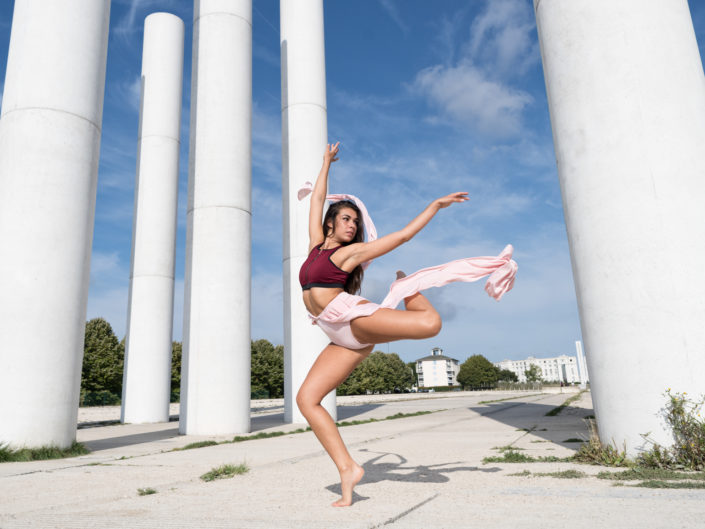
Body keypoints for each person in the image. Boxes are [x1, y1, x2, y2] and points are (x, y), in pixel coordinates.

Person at [296, 142, 517, 507]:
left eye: (357, 221)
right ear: (331, 222)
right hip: (335, 334)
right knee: (308, 401)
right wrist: (324, 163)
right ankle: (348, 468)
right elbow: (317, 197)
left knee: (430, 325)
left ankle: (408, 286)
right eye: (347, 219)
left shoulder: (349, 254)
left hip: (353, 319)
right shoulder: (316, 245)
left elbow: (400, 237)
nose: (353, 225)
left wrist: (433, 206)